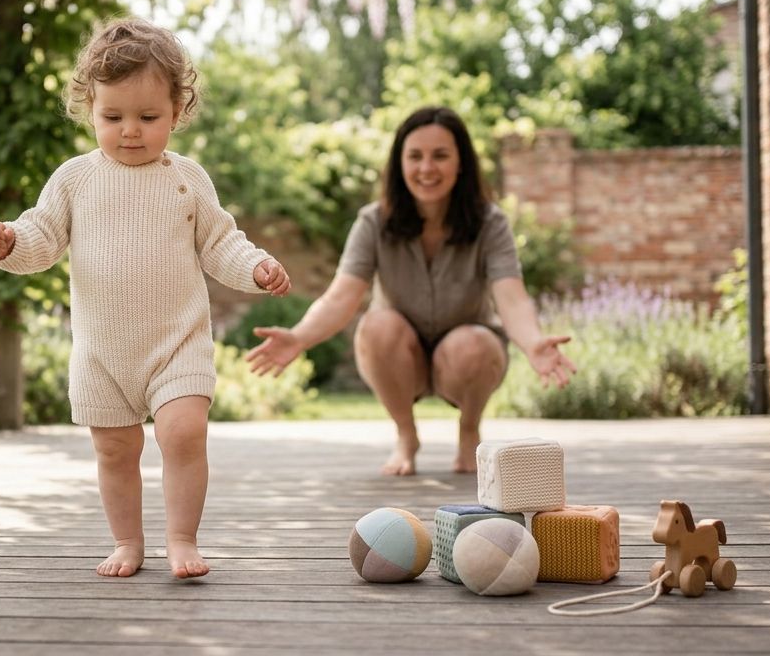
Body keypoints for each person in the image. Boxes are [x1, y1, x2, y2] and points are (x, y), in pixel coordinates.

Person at [0, 17, 291, 579]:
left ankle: (181, 538)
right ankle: (127, 541)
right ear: (89, 109)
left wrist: (258, 267)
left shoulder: (187, 180)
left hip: (178, 341)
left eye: (148, 117)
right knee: (116, 452)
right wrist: (11, 243)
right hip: (102, 352)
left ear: (176, 111)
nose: (130, 130)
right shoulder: (75, 179)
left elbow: (221, 242)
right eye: (112, 117)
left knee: (183, 432)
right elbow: (42, 236)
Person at [246, 106, 574, 476]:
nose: (426, 168)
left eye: (440, 156)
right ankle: (406, 435)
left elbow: (511, 296)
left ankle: (469, 431)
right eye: (415, 156)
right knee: (376, 326)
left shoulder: (489, 222)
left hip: (466, 358)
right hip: (402, 357)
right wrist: (299, 337)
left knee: (474, 343)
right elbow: (342, 296)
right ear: (399, 164)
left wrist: (533, 343)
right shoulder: (374, 222)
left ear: (461, 162)